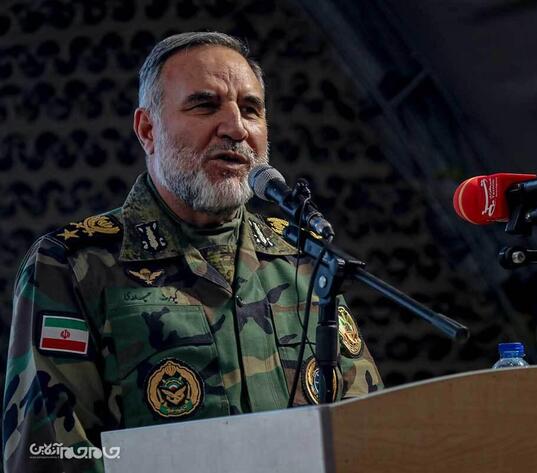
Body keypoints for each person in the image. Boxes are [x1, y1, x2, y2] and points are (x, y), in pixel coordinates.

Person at [2, 32, 383, 472]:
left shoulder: (303, 259)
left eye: (251, 109)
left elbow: (373, 432)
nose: (236, 129)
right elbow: (50, 456)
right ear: (148, 130)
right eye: (205, 105)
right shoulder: (74, 263)